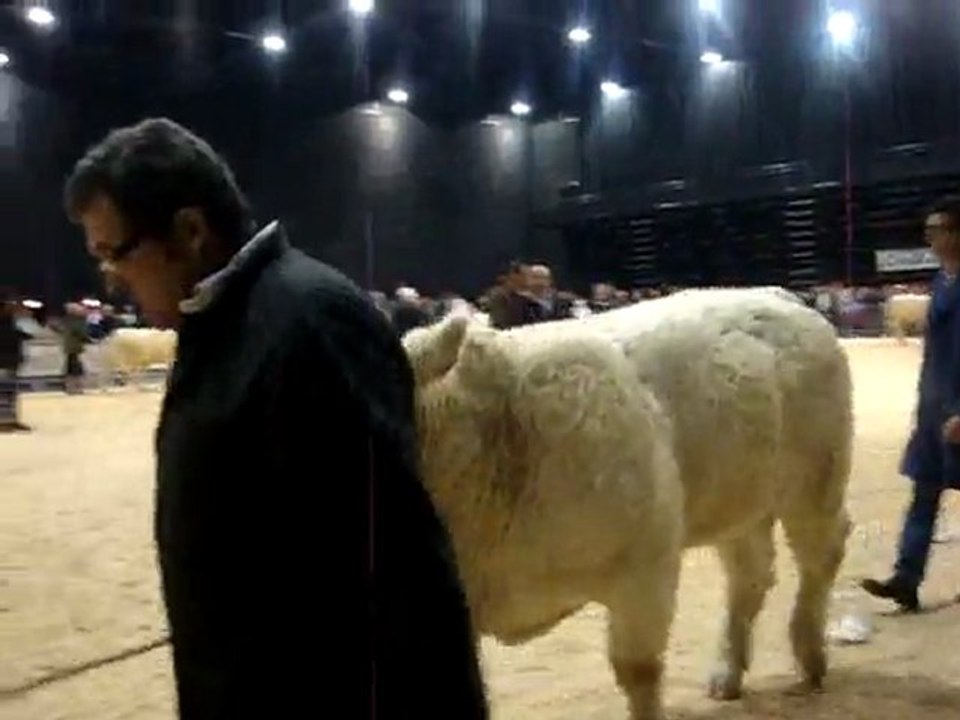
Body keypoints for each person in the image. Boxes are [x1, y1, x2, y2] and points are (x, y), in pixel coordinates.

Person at [64, 118, 488, 719]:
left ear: (190, 230)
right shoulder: (220, 324)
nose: (110, 278)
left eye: (116, 253)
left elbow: (392, 578)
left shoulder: (309, 323)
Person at [861, 195, 960, 611]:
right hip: (935, 406)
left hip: (957, 407)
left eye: (938, 229)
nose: (930, 237)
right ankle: (906, 577)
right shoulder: (942, 281)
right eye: (929, 230)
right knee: (923, 492)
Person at [0, 295, 31, 433]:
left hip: (11, 362)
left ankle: (11, 420)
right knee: (4, 393)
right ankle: (3, 422)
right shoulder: (5, 324)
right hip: (4, 363)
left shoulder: (10, 323)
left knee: (10, 393)